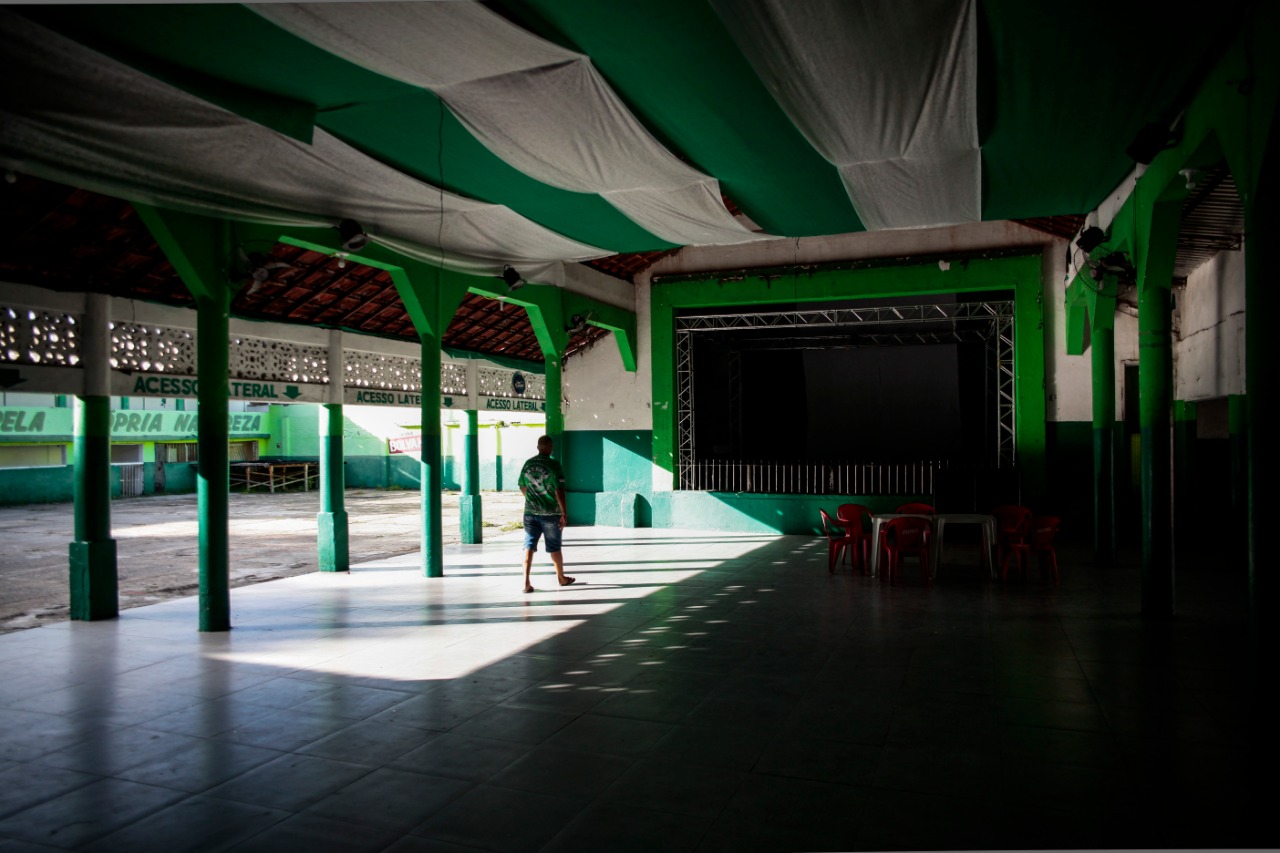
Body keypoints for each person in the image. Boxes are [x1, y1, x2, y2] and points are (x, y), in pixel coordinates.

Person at [517, 434, 575, 593]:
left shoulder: (528, 464)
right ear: (551, 448)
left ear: (538, 447)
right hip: (550, 513)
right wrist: (564, 513)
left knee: (529, 545)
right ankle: (561, 578)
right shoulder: (554, 465)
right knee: (554, 547)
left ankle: (525, 583)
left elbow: (522, 486)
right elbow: (559, 490)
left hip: (530, 512)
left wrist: (532, 500)